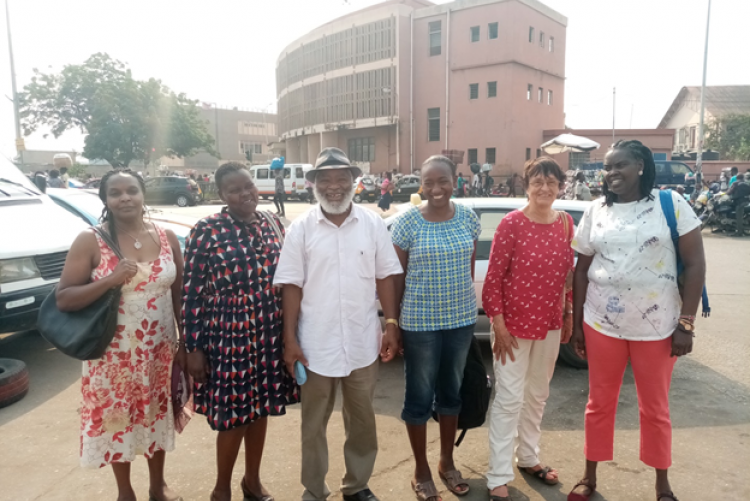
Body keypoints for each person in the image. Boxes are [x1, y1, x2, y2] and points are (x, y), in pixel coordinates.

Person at [567, 140, 705, 501]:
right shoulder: (596, 210)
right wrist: (580, 322)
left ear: (641, 166)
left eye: (620, 165)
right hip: (602, 323)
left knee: (655, 407)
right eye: (607, 168)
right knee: (599, 403)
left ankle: (662, 485)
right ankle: (589, 476)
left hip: (658, 327)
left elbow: (695, 264)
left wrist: (686, 323)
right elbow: (581, 270)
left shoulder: (670, 204)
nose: (611, 173)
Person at [275, 147, 403, 501]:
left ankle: (357, 485)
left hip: (363, 341)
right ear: (314, 183)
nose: (334, 186)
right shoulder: (300, 228)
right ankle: (314, 490)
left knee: (362, 420)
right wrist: (290, 340)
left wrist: (390, 324)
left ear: (353, 181)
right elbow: (291, 286)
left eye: (341, 178)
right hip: (315, 344)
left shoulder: (372, 223)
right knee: (313, 423)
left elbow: (385, 277)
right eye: (326, 179)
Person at [55, 169, 185, 501]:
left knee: (156, 414)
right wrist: (110, 281)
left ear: (143, 195)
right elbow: (64, 297)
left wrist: (185, 343)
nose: (124, 197)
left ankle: (158, 486)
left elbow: (179, 295)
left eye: (132, 190)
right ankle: (125, 492)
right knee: (117, 419)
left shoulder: (166, 236)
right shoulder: (90, 239)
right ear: (106, 200)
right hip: (114, 354)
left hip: (159, 350)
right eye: (115, 193)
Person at [182, 162, 299, 501]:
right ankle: (221, 489)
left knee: (261, 408)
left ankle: (252, 481)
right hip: (227, 336)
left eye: (248, 186)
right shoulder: (207, 229)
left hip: (268, 331)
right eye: (235, 190)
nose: (245, 194)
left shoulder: (273, 223)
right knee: (234, 415)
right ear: (221, 195)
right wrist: (193, 347)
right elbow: (190, 292)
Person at [482, 157, 575, 501]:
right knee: (509, 399)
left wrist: (567, 314)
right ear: (527, 184)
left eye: (552, 182)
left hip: (549, 326)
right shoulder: (511, 224)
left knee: (537, 395)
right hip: (513, 327)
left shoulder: (565, 224)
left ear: (560, 186)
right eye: (538, 182)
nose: (545, 189)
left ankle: (529, 458)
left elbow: (567, 275)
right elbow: (493, 280)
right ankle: (498, 475)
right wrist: (499, 325)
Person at [391, 155, 481, 501]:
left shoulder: (468, 219)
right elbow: (396, 278)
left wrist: (465, 312)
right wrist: (394, 324)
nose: (436, 189)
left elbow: (468, 268)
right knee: (418, 395)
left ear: (455, 181)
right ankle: (421, 469)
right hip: (420, 324)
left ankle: (446, 461)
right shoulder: (407, 223)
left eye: (442, 181)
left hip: (459, 322)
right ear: (421, 185)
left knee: (451, 393)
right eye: (428, 182)